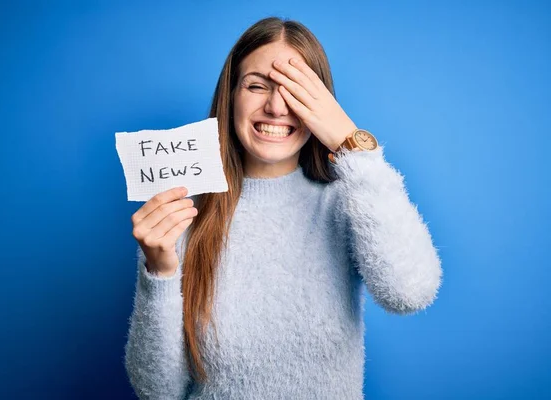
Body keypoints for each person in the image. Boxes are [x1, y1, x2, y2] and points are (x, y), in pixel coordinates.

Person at [124, 16, 443, 400]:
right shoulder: (185, 217)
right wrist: (158, 273)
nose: (276, 106)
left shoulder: (348, 203)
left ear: (321, 105)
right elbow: (157, 392)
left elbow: (410, 292)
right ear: (230, 97)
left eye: (295, 90)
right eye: (257, 86)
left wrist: (351, 144)